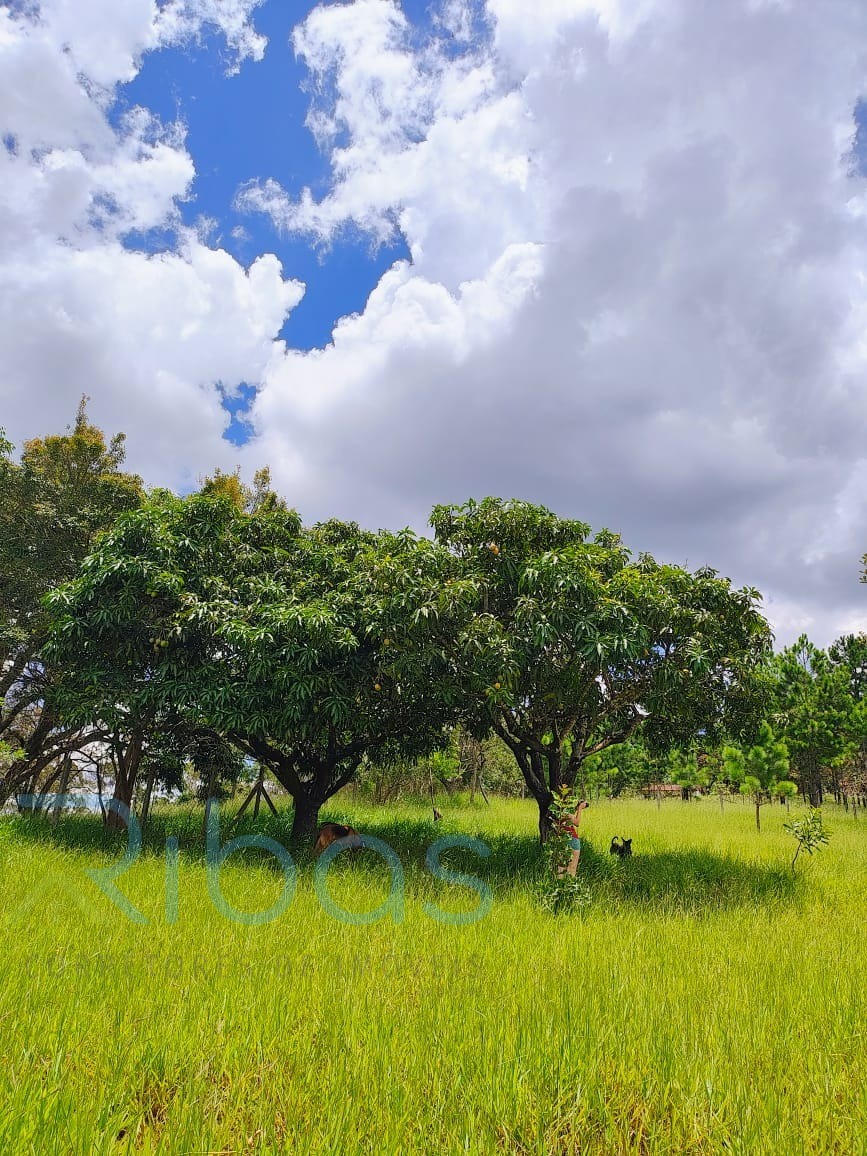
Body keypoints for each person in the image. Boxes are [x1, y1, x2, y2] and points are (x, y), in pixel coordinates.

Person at [555, 799, 589, 877]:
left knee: (561, 869)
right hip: (572, 839)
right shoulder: (566, 813)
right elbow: (577, 823)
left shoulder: (555, 812)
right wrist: (580, 809)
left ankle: (560, 887)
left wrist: (576, 808)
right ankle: (570, 887)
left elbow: (568, 818)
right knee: (572, 869)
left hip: (561, 840)